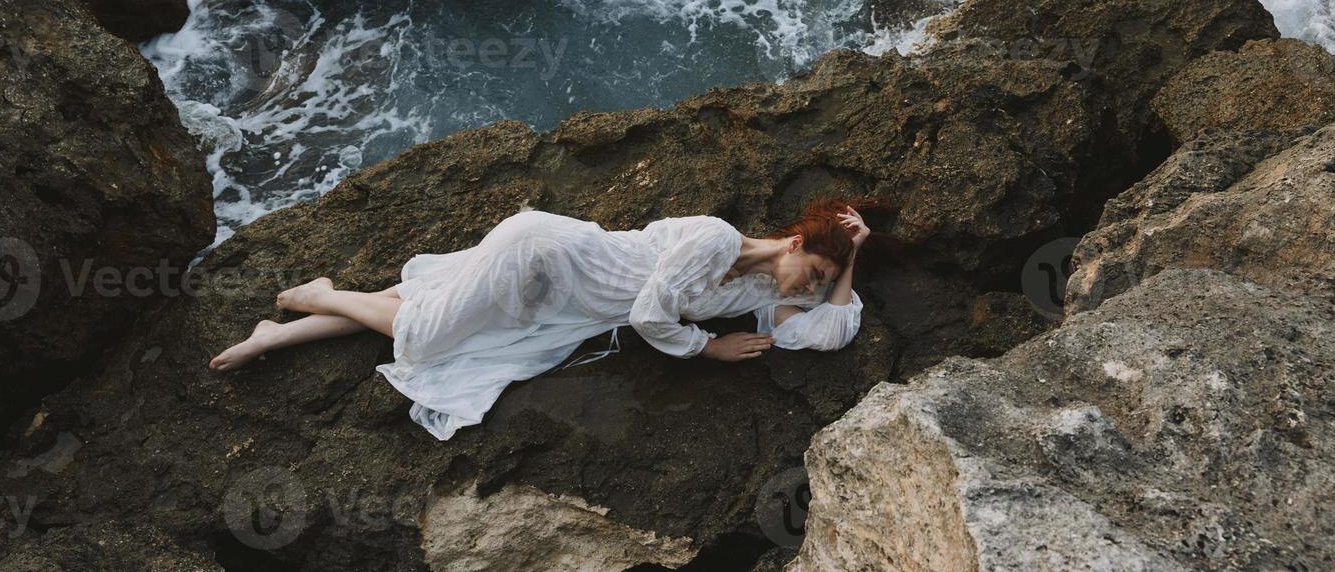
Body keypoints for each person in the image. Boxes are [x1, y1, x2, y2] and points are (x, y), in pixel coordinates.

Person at [210, 197, 892, 439]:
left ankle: (278, 333)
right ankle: (321, 294)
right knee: (420, 334)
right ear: (796, 243)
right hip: (540, 252)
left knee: (422, 320)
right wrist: (705, 352)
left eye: (820, 284)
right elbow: (654, 316)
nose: (811, 287)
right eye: (815, 272)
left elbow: (830, 330)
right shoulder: (715, 238)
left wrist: (852, 258)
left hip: (564, 302)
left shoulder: (754, 296)